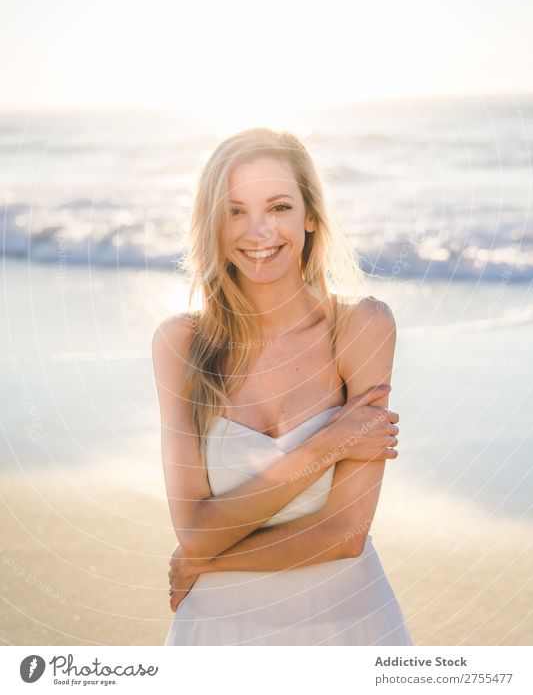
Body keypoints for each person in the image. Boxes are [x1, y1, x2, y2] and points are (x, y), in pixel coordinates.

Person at [152, 127, 413, 645]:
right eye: (235, 211)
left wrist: (205, 558)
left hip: (349, 629)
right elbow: (195, 529)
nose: (258, 231)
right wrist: (330, 442)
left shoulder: (360, 328)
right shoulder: (180, 343)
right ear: (213, 224)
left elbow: (344, 534)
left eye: (277, 207)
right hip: (218, 632)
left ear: (310, 217)